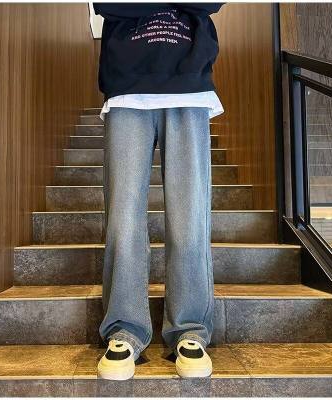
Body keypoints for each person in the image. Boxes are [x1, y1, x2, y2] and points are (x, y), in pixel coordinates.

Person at [92, 2, 225, 380]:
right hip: (127, 87)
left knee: (189, 219)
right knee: (123, 220)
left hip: (189, 86)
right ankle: (124, 328)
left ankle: (190, 329)